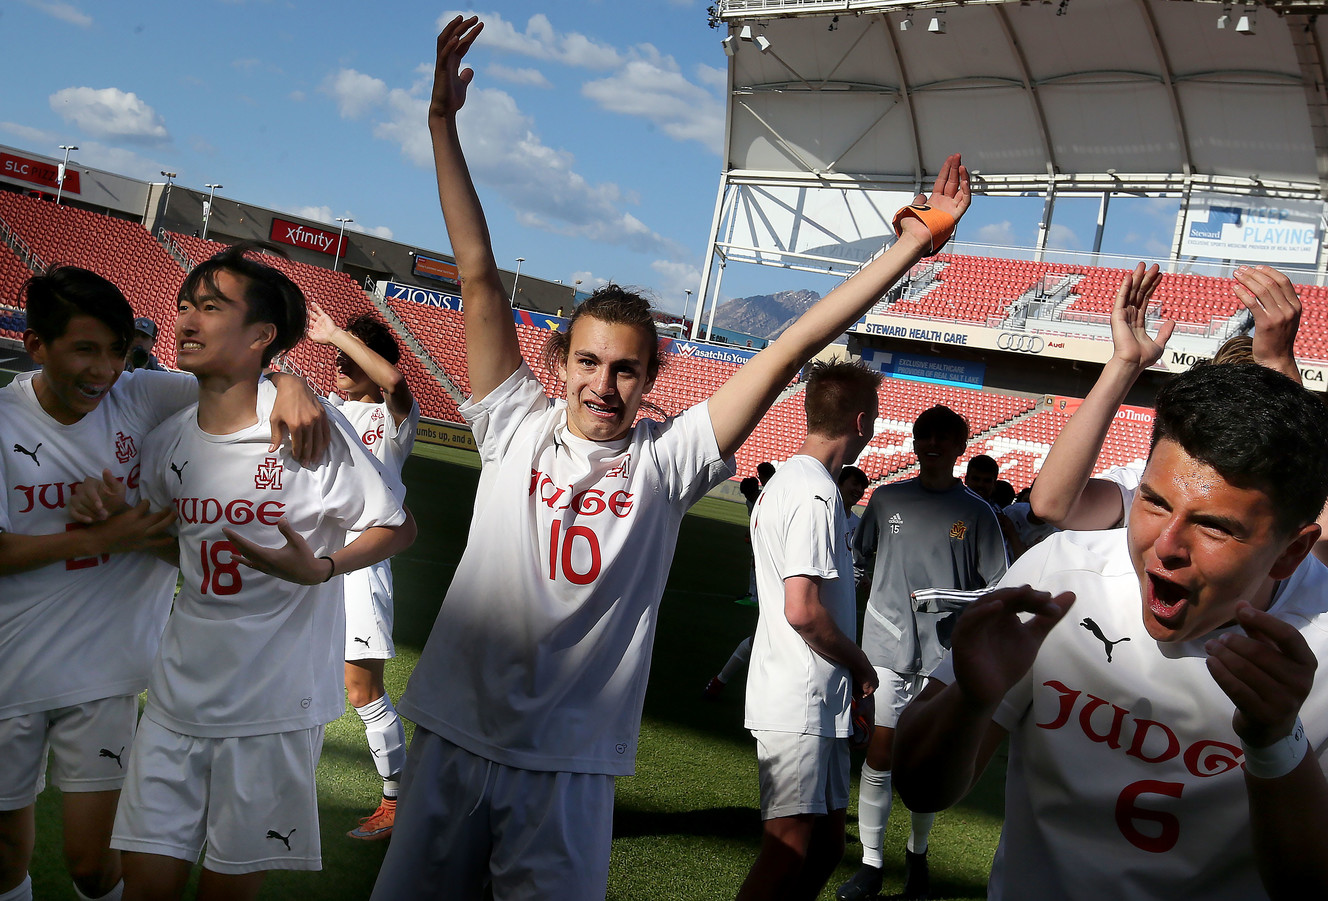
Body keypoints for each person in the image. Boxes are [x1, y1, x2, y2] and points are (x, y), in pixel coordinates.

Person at [369, 16, 969, 900]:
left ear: (653, 376)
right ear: (557, 363)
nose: (603, 384)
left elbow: (786, 348)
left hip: (570, 768)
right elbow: (477, 272)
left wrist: (911, 245)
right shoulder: (511, 426)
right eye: (586, 362)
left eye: (624, 368)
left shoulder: (668, 460)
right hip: (452, 735)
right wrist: (441, 125)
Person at [894, 362, 1328, 900]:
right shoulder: (1062, 575)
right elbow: (919, 787)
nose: (1165, 545)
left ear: (1291, 551)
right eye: (1154, 502)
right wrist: (969, 701)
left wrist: (1276, 742)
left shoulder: (1321, 646)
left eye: (1214, 526)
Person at [91, 243, 415, 901]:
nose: (186, 320)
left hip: (270, 713)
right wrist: (118, 525)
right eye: (184, 305)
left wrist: (321, 568)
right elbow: (180, 546)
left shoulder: (310, 430)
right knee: (141, 885)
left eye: (210, 308)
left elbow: (399, 526)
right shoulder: (168, 437)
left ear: (261, 335)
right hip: (176, 702)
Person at [0, 267, 327, 901]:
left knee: (94, 865)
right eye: (85, 350)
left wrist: (291, 380)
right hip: (9, 667)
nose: (103, 370)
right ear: (37, 345)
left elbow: (233, 379)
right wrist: (102, 536)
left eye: (118, 351)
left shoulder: (140, 396)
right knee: (5, 856)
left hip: (107, 671)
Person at [838, 405, 1008, 901]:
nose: (931, 443)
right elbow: (862, 561)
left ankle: (918, 854)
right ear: (914, 443)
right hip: (886, 648)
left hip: (945, 656)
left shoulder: (977, 513)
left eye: (942, 436)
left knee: (926, 762)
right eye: (923, 435)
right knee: (883, 752)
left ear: (960, 446)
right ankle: (869, 864)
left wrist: (949, 600)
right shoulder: (887, 499)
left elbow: (999, 588)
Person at [736, 362, 882, 900]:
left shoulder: (791, 484)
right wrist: (862, 666)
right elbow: (803, 609)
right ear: (862, 422)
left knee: (823, 846)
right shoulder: (815, 495)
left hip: (820, 698)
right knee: (789, 849)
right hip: (799, 697)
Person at [1029, 263, 1300, 532]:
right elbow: (1053, 505)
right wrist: (1124, 363)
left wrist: (1280, 366)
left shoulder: (1287, 501)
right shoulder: (1154, 481)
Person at [307, 304, 420, 840]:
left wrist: (337, 332)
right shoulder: (328, 409)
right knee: (307, 674)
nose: (339, 365)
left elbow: (394, 381)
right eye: (335, 356)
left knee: (362, 689)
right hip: (315, 561)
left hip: (363, 565)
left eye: (350, 358)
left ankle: (397, 801)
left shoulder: (394, 421)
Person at [706, 466, 870, 700]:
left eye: (862, 487)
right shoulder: (821, 513)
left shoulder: (856, 523)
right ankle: (721, 680)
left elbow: (852, 560)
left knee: (825, 654)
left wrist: (864, 578)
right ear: (840, 484)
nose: (858, 490)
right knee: (764, 640)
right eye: (854, 484)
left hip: (840, 602)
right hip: (809, 596)